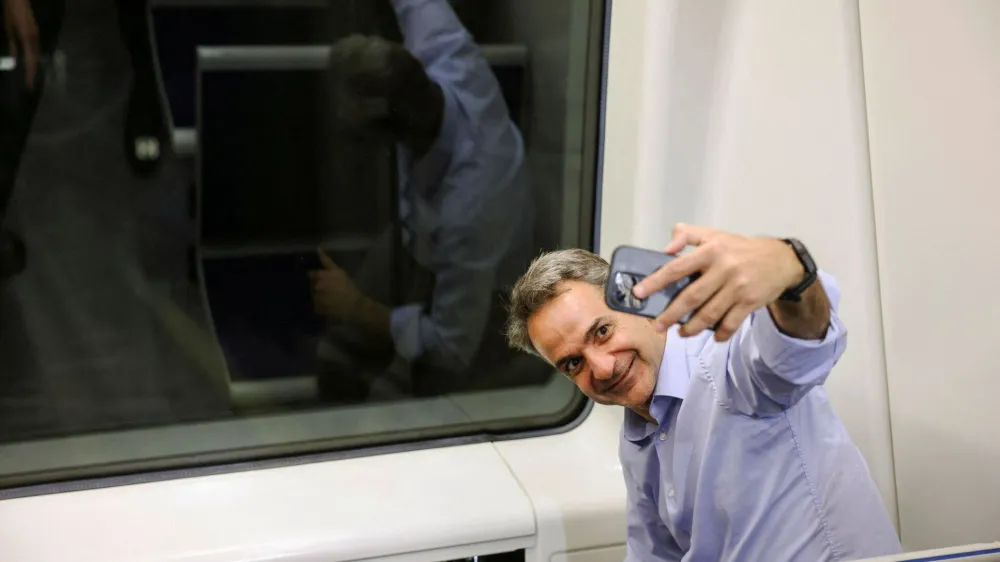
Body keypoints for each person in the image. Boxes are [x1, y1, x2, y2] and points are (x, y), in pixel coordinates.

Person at [504, 223, 903, 562]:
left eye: (603, 331)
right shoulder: (638, 436)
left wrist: (789, 268)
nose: (602, 367)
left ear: (638, 302)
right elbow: (654, 554)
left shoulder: (728, 360)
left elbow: (803, 348)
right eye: (574, 363)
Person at [310, 0, 540, 400]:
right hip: (416, 231)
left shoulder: (470, 207)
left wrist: (356, 307)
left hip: (487, 285)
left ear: (389, 139)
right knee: (336, 361)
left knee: (423, 388)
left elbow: (451, 347)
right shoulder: (445, 51)